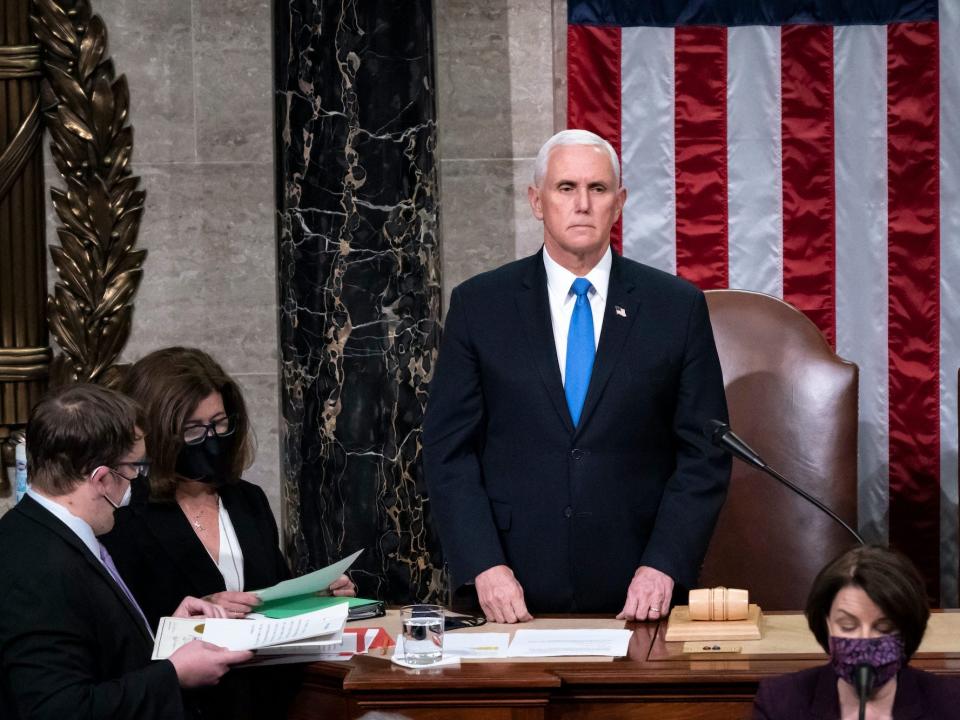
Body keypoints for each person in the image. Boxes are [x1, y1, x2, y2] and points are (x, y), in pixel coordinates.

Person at [423, 129, 731, 623]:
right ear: (537, 201)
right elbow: (447, 451)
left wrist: (664, 563)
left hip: (638, 593)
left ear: (619, 203)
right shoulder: (480, 305)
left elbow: (704, 455)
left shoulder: (675, 308)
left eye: (598, 189)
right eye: (566, 188)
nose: (582, 204)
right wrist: (483, 564)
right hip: (509, 592)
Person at [101, 346, 355, 719]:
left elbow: (269, 595)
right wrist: (201, 614)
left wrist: (315, 595)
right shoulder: (124, 513)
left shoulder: (245, 499)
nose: (211, 438)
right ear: (155, 433)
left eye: (219, 423)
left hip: (267, 701)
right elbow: (121, 634)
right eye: (193, 429)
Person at [0, 384, 251, 720]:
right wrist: (173, 675)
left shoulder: (36, 530)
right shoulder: (40, 567)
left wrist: (165, 637)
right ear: (102, 479)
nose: (137, 484)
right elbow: (57, 708)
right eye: (134, 470)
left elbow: (97, 650)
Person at [753, 545, 960, 719]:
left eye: (883, 627)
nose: (864, 639)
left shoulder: (950, 704)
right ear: (826, 624)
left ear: (906, 630)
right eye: (848, 626)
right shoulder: (780, 703)